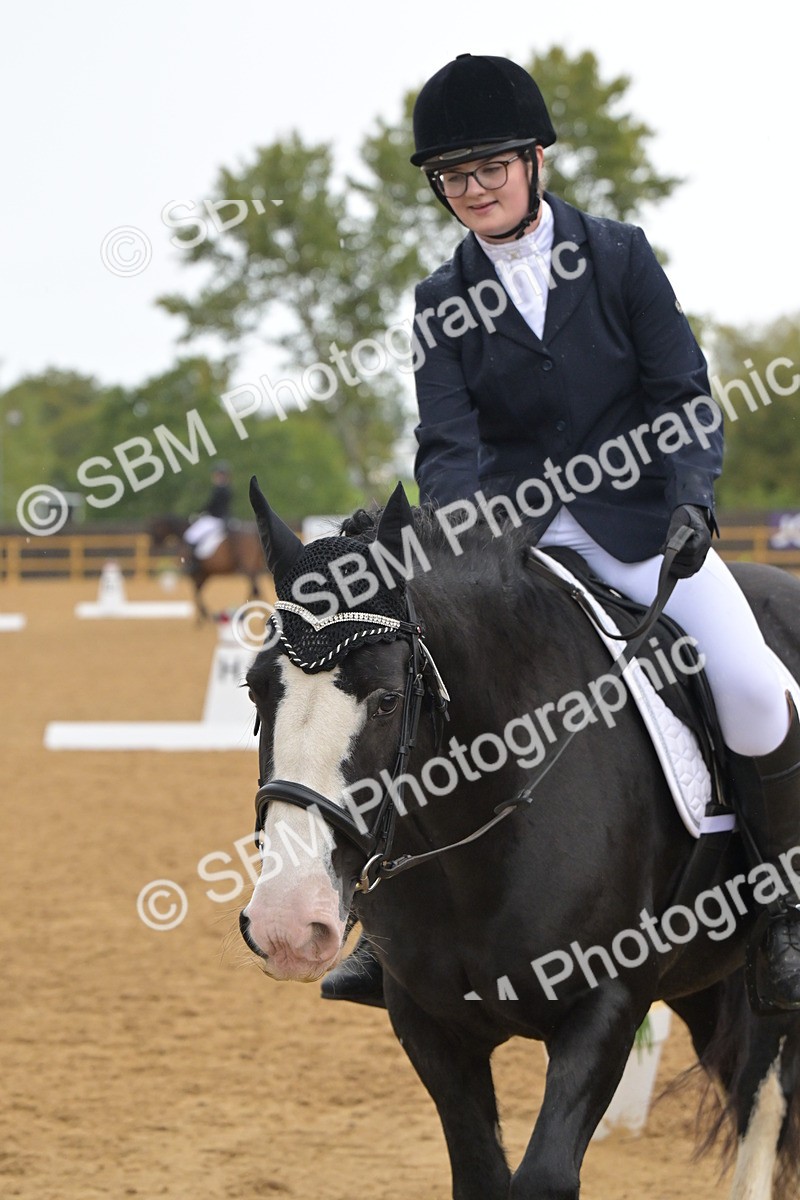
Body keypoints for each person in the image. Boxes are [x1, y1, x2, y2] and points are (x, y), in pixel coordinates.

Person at [322, 53, 800, 1012]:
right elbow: (447, 441)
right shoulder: (439, 298)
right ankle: (392, 925)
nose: (472, 189)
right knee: (428, 693)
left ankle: (783, 904)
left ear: (536, 160)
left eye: (489, 167)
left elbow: (682, 394)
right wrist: (461, 544)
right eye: (452, 176)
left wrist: (691, 500)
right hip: (515, 545)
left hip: (641, 528)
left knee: (753, 686)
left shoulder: (619, 255)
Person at [183, 463, 233, 572]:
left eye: (217, 475)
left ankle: (193, 564)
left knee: (190, 535)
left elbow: (211, 506)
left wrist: (201, 513)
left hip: (215, 519)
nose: (215, 477)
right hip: (223, 518)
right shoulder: (226, 488)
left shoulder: (219, 490)